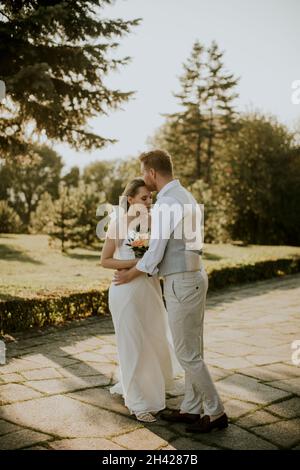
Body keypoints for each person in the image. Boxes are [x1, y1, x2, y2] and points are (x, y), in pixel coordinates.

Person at [114, 150, 228, 433]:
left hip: (182, 281)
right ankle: (191, 408)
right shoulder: (184, 195)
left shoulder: (167, 201)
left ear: (152, 172)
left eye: (144, 172)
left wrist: (131, 272)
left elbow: (156, 250)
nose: (143, 178)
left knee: (187, 353)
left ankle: (215, 412)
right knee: (193, 348)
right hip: (194, 275)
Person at [101, 177, 181, 423]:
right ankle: (138, 403)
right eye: (144, 198)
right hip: (124, 291)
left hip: (150, 289)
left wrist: (146, 264)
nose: (149, 202)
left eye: (151, 198)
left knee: (154, 342)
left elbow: (158, 258)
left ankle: (154, 394)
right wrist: (137, 263)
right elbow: (105, 260)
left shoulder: (153, 223)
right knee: (133, 345)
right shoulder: (117, 224)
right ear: (130, 199)